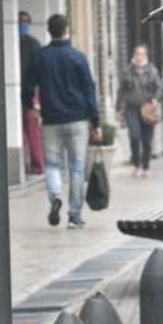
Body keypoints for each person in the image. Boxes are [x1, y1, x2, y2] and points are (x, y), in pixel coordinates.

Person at [24, 14, 101, 228]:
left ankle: (55, 195)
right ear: (66, 29)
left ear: (49, 31)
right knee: (76, 168)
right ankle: (74, 215)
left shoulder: (40, 57)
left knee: (52, 165)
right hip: (77, 119)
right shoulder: (78, 57)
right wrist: (95, 122)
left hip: (50, 119)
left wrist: (31, 106)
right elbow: (89, 90)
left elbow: (27, 85)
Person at [116, 44, 163, 178]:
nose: (138, 57)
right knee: (134, 135)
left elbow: (159, 88)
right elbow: (121, 90)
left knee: (147, 139)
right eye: (137, 54)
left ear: (146, 56)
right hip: (132, 108)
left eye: (141, 54)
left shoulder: (152, 71)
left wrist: (155, 99)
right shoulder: (127, 71)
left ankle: (146, 165)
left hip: (148, 108)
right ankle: (136, 164)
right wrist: (118, 108)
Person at [19, 11, 45, 175]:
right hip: (25, 89)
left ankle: (36, 163)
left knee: (31, 127)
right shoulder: (33, 44)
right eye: (21, 22)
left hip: (29, 90)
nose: (23, 25)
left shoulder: (33, 44)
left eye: (26, 22)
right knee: (29, 127)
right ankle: (32, 163)